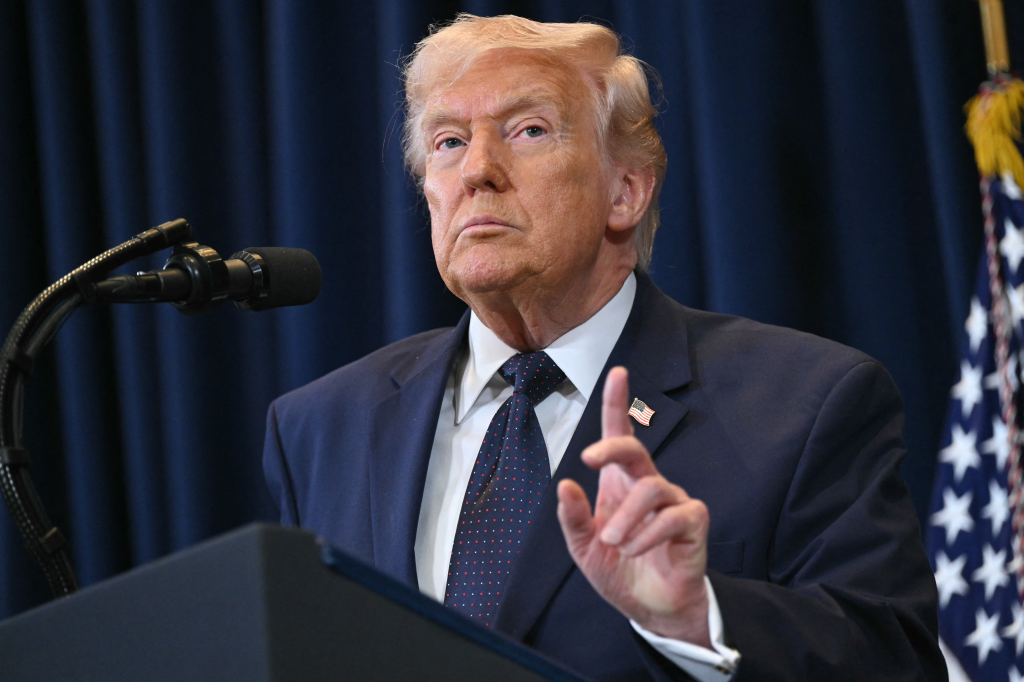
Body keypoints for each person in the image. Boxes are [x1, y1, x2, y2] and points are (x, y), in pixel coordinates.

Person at [263, 14, 945, 681]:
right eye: (447, 142)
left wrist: (698, 619)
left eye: (527, 130)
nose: (477, 171)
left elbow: (896, 661)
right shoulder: (322, 429)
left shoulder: (804, 404)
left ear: (625, 191)